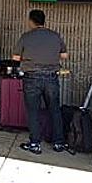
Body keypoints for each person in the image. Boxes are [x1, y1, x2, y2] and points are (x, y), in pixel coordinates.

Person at [13, 9, 68, 154]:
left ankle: (35, 144)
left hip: (32, 78)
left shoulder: (26, 36)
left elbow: (16, 58)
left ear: (31, 21)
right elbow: (64, 55)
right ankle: (59, 143)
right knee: (55, 110)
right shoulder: (55, 36)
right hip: (51, 77)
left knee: (33, 111)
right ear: (44, 21)